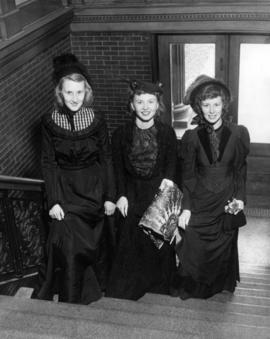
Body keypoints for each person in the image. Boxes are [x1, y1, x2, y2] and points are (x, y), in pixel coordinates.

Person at [37, 53, 115, 304]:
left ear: (86, 92)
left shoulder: (98, 119)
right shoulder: (49, 121)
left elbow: (107, 159)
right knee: (69, 246)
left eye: (79, 92)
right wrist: (54, 201)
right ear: (60, 93)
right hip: (65, 193)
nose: (74, 98)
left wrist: (110, 196)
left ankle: (92, 291)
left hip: (93, 191)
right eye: (68, 92)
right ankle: (71, 301)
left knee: (91, 245)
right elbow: (48, 163)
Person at [171, 75, 250, 299]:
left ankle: (219, 284)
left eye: (216, 104)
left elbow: (240, 170)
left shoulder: (238, 133)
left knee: (223, 244)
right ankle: (196, 284)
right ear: (199, 107)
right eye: (206, 105)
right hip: (200, 198)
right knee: (194, 241)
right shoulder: (192, 136)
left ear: (224, 104)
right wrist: (186, 208)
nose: (212, 110)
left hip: (226, 199)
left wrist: (240, 198)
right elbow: (187, 176)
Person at [105, 80, 178, 300]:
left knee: (158, 246)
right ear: (132, 105)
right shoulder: (120, 134)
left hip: (159, 195)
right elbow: (117, 169)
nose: (145, 106)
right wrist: (120, 195)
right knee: (130, 244)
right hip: (131, 195)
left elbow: (172, 171)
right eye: (139, 101)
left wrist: (166, 209)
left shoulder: (167, 133)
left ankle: (158, 288)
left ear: (158, 105)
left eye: (150, 101)